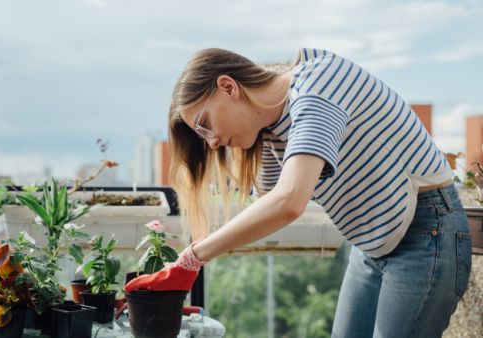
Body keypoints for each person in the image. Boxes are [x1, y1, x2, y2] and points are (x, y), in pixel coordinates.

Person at [124, 47, 472, 337]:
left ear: (228, 87)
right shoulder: (273, 129)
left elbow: (288, 203)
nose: (212, 142)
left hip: (427, 233)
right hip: (372, 245)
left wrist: (191, 259)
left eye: (205, 125)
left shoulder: (318, 86)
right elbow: (266, 210)